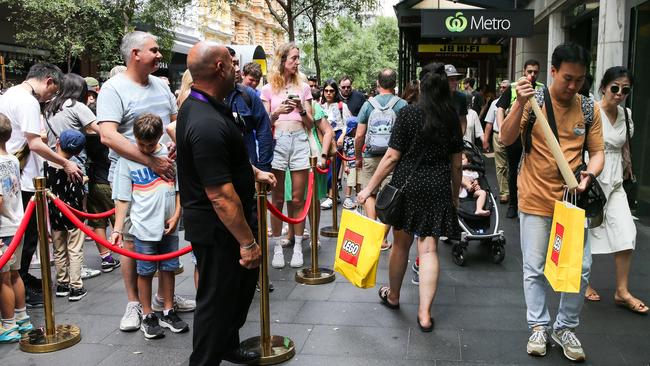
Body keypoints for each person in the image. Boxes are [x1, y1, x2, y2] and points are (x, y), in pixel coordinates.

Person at [500, 43, 605, 362]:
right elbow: (505, 139)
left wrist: (589, 174)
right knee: (534, 268)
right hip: (534, 197)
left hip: (571, 202)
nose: (573, 86)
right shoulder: (533, 102)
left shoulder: (589, 109)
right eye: (567, 78)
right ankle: (539, 326)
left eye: (580, 80)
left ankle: (566, 327)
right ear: (553, 72)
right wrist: (519, 103)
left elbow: (598, 152)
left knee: (580, 268)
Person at [178, 41, 275, 365]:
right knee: (216, 302)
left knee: (236, 292)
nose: (238, 68)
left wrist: (254, 172)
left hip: (228, 225)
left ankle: (227, 345)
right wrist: (247, 242)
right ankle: (205, 359)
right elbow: (219, 194)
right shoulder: (204, 119)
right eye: (233, 63)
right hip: (219, 230)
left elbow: (224, 160)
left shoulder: (212, 106)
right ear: (220, 68)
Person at [97, 31, 193, 333]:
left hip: (166, 178)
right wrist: (150, 160)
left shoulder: (161, 86)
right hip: (132, 178)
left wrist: (181, 147)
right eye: (154, 50)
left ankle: (166, 298)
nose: (160, 55)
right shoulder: (113, 88)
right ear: (135, 53)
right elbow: (108, 135)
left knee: (166, 238)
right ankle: (135, 303)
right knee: (132, 241)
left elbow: (175, 121)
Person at [357, 62, 463, 332]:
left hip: (407, 187)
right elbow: (456, 164)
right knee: (428, 250)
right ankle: (425, 314)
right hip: (437, 187)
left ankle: (393, 296)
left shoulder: (408, 114)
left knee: (400, 245)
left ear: (421, 86)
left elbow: (392, 157)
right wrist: (454, 195)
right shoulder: (451, 118)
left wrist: (369, 189)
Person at [0, 63, 83, 308]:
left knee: (20, 235)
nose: (52, 97)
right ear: (48, 80)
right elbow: (35, 143)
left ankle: (20, 279)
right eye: (53, 90)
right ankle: (20, 283)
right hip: (25, 180)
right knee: (27, 236)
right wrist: (65, 164)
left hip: (14, 176)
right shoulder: (27, 101)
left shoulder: (9, 94)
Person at [110, 113, 188, 339]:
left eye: (150, 144)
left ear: (160, 137)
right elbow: (122, 198)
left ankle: (168, 309)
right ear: (134, 137)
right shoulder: (127, 161)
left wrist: (176, 215)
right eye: (141, 144)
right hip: (142, 227)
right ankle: (147, 314)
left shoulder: (170, 155)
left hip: (167, 225)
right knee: (144, 271)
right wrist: (116, 229)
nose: (145, 149)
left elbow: (178, 189)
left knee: (169, 267)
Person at [586, 67, 647, 313]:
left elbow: (624, 146)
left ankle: (622, 291)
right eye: (615, 88)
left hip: (617, 182)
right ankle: (584, 283)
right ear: (604, 87)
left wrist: (628, 168)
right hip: (592, 181)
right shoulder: (591, 110)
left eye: (625, 90)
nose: (620, 93)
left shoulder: (626, 114)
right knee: (586, 235)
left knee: (626, 231)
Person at [44, 73, 108, 280]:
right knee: (77, 218)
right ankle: (76, 273)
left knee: (58, 218)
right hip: (74, 163)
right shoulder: (76, 106)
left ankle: (63, 277)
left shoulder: (50, 106)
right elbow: (99, 129)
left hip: (52, 162)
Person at [261, 42, 313, 269]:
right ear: (282, 60)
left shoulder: (303, 86)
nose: (297, 62)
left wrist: (301, 109)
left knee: (298, 199)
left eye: (298, 58)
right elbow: (262, 124)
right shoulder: (268, 88)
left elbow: (310, 124)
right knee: (278, 198)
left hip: (300, 140)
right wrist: (275, 113)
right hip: (278, 141)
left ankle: (299, 246)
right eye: (293, 58)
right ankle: (278, 249)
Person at [354, 68, 407, 251]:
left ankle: (372, 235)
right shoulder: (402, 105)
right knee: (390, 198)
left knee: (369, 193)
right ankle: (382, 239)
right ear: (394, 83)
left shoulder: (368, 105)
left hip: (370, 155)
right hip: (394, 158)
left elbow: (359, 135)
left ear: (378, 83)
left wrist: (358, 157)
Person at [497, 59, 545, 218]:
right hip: (515, 135)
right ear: (523, 71)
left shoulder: (542, 89)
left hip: (533, 136)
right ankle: (513, 204)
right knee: (513, 169)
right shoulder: (512, 88)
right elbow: (500, 108)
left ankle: (531, 203)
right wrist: (503, 131)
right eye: (529, 71)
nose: (532, 75)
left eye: (535, 72)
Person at [0, 113, 32, 342]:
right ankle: (22, 319)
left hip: (3, 228)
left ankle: (8, 324)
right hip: (17, 225)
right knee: (15, 275)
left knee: (3, 279)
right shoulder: (11, 159)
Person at [45, 130, 88, 302]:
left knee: (59, 249)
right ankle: (76, 286)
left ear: (58, 143)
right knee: (75, 249)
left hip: (55, 215)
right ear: (78, 151)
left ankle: (62, 283)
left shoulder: (47, 164)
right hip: (73, 214)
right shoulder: (74, 167)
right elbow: (78, 193)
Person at [320, 79, 351, 210]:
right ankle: (332, 194)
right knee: (325, 167)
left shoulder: (341, 106)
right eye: (326, 91)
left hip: (337, 136)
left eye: (331, 91)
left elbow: (348, 124)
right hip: (324, 138)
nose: (328, 93)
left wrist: (342, 137)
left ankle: (331, 196)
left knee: (334, 168)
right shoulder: (320, 106)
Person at [483, 80, 510, 153]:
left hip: (511, 136)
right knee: (500, 164)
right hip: (497, 135)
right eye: (500, 87)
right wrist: (485, 141)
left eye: (504, 87)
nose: (501, 89)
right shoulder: (494, 103)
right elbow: (489, 123)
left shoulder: (515, 102)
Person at [459, 152, 490, 216]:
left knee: (483, 193)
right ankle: (468, 186)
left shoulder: (474, 172)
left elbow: (476, 182)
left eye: (462, 159)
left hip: (472, 192)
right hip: (461, 191)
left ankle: (478, 209)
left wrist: (476, 186)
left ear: (469, 161)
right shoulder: (458, 171)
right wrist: (468, 185)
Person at [342, 119, 358, 209]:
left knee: (358, 181)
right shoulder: (347, 139)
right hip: (350, 164)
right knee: (350, 182)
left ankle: (357, 197)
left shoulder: (359, 137)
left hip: (358, 163)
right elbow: (344, 152)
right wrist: (345, 165)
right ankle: (347, 198)